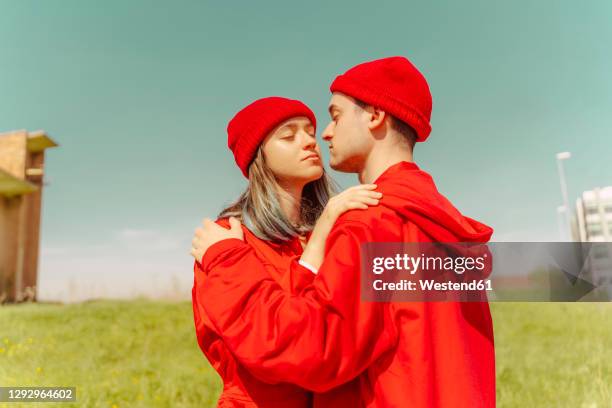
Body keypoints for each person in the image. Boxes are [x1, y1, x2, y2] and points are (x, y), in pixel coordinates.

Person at [192, 57, 496, 408]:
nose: (321, 136)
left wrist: (228, 259)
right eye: (289, 136)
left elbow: (310, 347)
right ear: (258, 158)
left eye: (334, 116)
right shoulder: (442, 226)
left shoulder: (367, 223)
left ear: (375, 116)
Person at [191, 96, 382, 407]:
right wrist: (326, 225)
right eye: (289, 136)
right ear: (258, 156)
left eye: (310, 132)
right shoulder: (227, 239)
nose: (309, 142)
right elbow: (280, 337)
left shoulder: (334, 231)